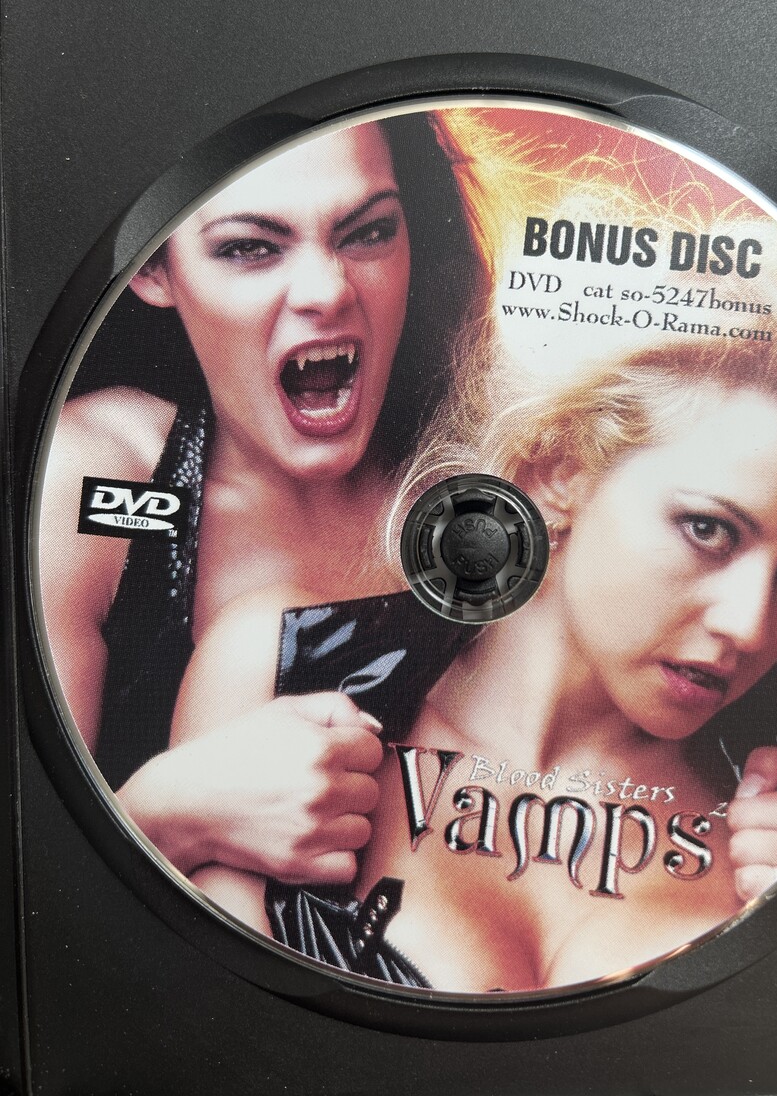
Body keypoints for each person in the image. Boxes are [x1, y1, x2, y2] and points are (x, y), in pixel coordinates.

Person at [168, 271, 777, 991]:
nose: (749, 624)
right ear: (559, 471)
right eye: (708, 530)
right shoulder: (287, 666)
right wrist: (163, 812)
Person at [38, 111, 490, 887]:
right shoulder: (98, 481)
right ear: (153, 270)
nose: (328, 289)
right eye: (250, 247)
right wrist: (165, 814)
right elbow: (31, 867)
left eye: (368, 233)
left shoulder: (489, 504)